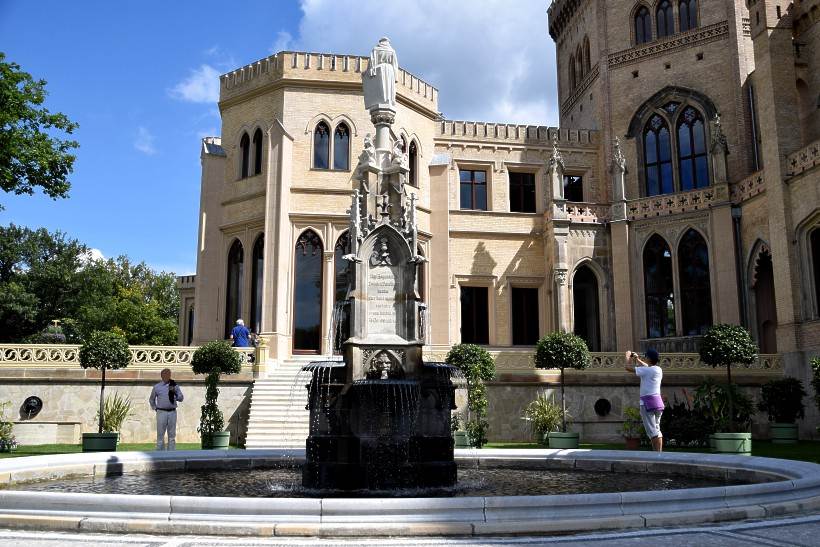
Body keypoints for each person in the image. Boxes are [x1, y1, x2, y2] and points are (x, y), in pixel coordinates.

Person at [625, 349, 664, 452]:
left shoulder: (647, 371)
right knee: (657, 430)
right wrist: (637, 359)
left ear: (649, 358)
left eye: (646, 357)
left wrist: (627, 357)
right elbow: (646, 366)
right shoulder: (658, 369)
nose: (645, 358)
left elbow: (627, 368)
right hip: (658, 403)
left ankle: (656, 455)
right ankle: (659, 454)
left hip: (647, 403)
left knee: (652, 432)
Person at [148, 368, 183, 450]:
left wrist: (175, 393)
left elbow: (181, 398)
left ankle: (171, 456)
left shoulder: (174, 386)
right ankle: (160, 455)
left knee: (172, 435)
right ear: (162, 376)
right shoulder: (157, 387)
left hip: (172, 413)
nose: (167, 376)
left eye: (168, 374)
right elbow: (151, 399)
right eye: (165, 374)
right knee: (160, 435)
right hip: (161, 412)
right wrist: (155, 408)